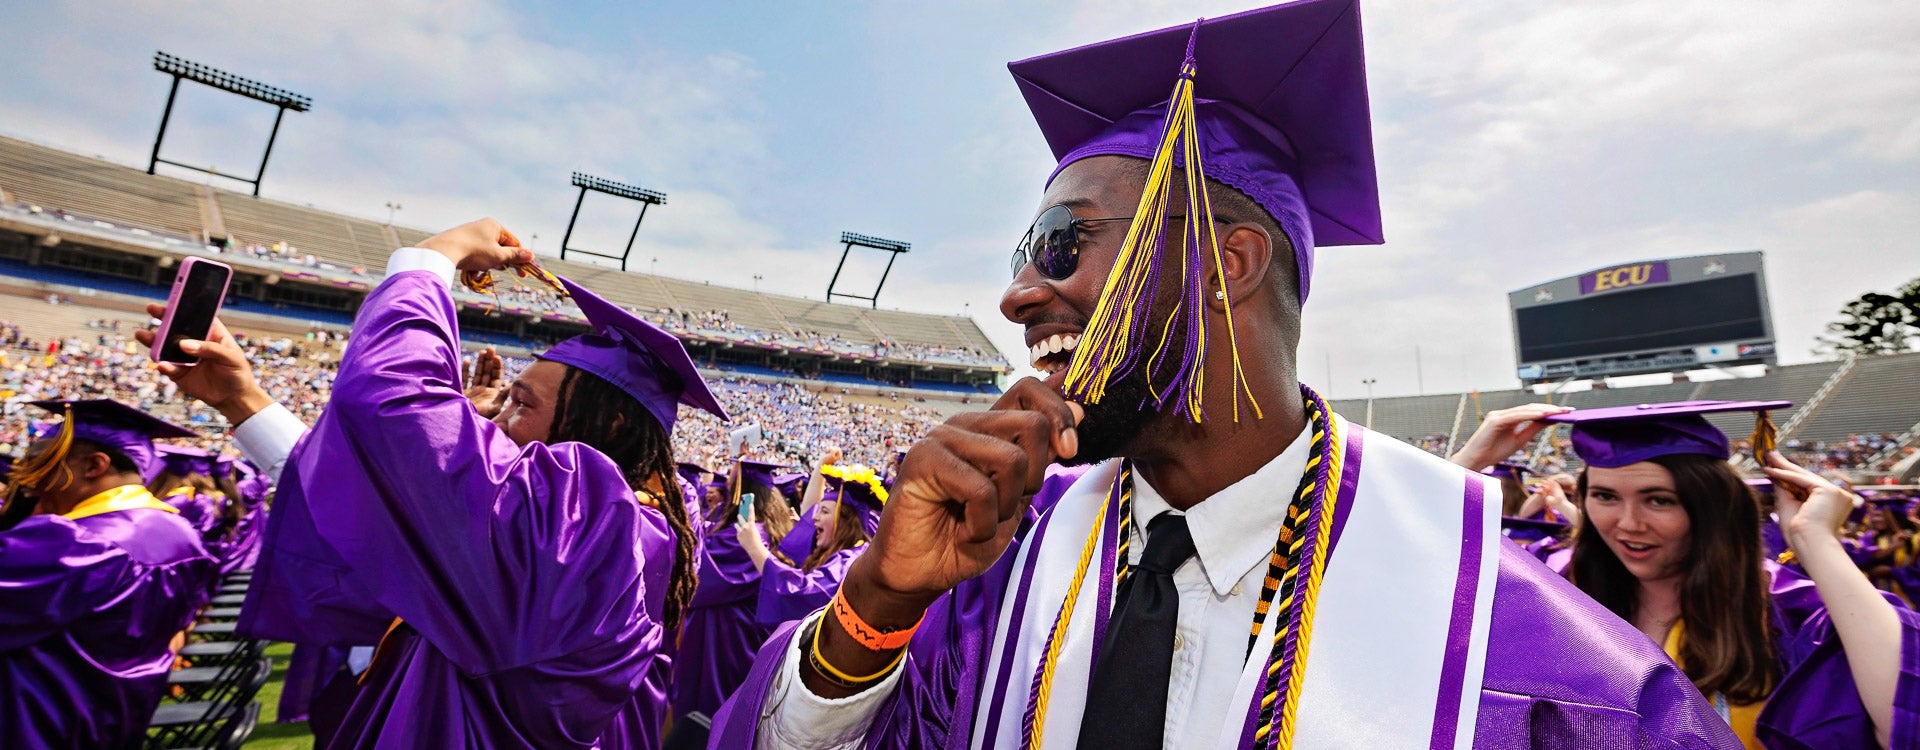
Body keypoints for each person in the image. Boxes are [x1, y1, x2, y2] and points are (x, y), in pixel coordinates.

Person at [711, 4, 1733, 748]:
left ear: (1224, 264)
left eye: (1063, 244)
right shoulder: (997, 575)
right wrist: (879, 602)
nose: (1019, 296)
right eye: (1022, 257)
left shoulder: (1534, 666)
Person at [137, 218, 726, 749]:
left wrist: (431, 259)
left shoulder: (600, 522)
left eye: (520, 404)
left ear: (610, 426)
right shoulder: (607, 531)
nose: (494, 420)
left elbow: (394, 405)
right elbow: (389, 497)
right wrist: (243, 402)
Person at [1542, 400, 1918, 748]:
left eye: (1659, 500)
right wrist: (1479, 466)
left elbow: (1903, 722)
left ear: (1711, 506)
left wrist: (1816, 542)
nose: (1628, 523)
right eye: (1605, 496)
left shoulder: (1788, 609)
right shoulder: (1559, 594)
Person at [0, 399, 219, 748]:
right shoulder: (182, 535)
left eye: (42, 463)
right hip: (116, 717)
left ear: (93, 466)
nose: (28, 480)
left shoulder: (76, 541)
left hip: (37, 723)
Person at [673, 458, 792, 727]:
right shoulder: (749, 531)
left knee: (709, 716)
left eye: (731, 483)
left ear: (743, 491)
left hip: (725, 640)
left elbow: (702, 571)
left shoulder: (752, 536)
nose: (726, 489)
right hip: (723, 633)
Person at [745, 463, 887, 628]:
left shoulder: (851, 562)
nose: (814, 518)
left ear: (846, 521)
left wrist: (754, 546)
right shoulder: (845, 551)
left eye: (824, 512)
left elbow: (802, 595)